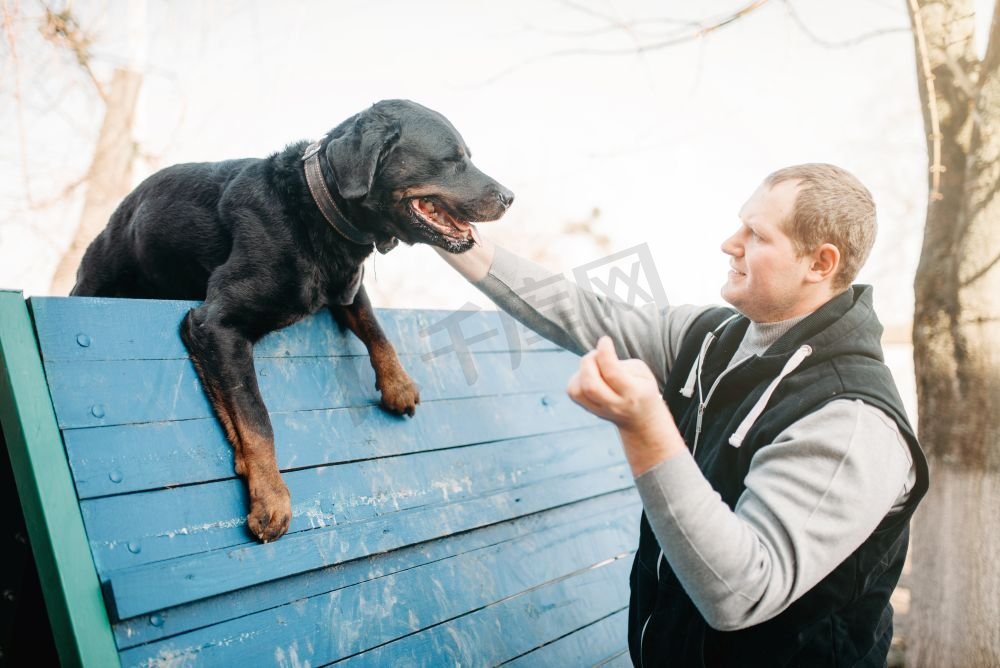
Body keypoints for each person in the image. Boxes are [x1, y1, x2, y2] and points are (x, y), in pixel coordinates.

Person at [435, 163, 929, 667]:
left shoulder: (851, 421)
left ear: (820, 263)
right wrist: (449, 234)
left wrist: (644, 428)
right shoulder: (710, 338)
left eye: (756, 235)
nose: (729, 243)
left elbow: (742, 594)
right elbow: (581, 312)